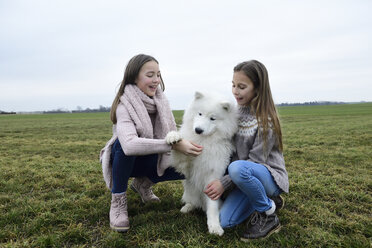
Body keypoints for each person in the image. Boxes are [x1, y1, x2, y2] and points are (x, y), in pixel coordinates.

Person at [100, 54, 203, 232]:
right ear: (134, 77)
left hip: (153, 159)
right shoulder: (124, 106)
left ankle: (143, 184)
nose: (156, 80)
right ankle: (118, 201)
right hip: (127, 163)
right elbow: (130, 145)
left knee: (193, 162)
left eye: (158, 75)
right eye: (150, 75)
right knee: (121, 146)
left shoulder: (161, 102)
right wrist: (174, 144)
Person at [204, 60, 289, 240]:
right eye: (233, 85)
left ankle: (268, 213)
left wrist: (224, 183)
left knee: (238, 168)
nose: (235, 91)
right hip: (242, 178)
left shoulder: (266, 120)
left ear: (257, 88)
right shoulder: (233, 114)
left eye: (241, 86)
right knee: (224, 221)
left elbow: (255, 160)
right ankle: (263, 198)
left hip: (267, 175)